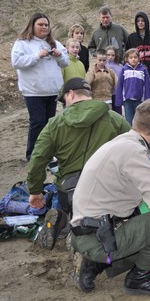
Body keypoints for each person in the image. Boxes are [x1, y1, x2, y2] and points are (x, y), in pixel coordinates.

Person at [69, 99, 150, 295]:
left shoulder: (120, 142)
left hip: (85, 230)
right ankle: (140, 276)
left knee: (137, 217)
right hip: (100, 238)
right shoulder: (135, 150)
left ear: (133, 122)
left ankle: (94, 264)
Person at [27, 78, 130, 250]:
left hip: (69, 190)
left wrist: (35, 191)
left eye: (64, 100)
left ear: (71, 94)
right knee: (108, 215)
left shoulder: (55, 124)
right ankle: (91, 230)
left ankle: (64, 221)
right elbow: (136, 147)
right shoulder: (114, 118)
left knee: (63, 198)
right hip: (105, 188)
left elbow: (38, 159)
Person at [11, 13, 69, 161]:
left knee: (50, 124)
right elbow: (16, 62)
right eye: (41, 24)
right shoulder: (22, 43)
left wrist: (58, 55)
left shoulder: (53, 42)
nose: (44, 27)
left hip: (52, 91)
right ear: (32, 25)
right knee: (37, 123)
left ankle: (48, 153)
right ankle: (32, 155)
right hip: (34, 91)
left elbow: (66, 62)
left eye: (46, 25)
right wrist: (37, 56)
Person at [125, 11, 150, 100]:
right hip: (136, 75)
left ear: (146, 22)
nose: (140, 22)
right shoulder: (131, 37)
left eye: (142, 20)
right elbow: (127, 57)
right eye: (138, 21)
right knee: (138, 103)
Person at [115, 48, 150, 124]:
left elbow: (147, 86)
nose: (133, 59)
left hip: (139, 100)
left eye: (135, 57)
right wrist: (119, 100)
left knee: (139, 121)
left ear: (139, 58)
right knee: (129, 121)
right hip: (127, 100)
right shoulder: (124, 70)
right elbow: (120, 85)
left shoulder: (143, 70)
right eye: (131, 58)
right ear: (127, 59)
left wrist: (148, 100)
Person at [105, 45, 124, 114]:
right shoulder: (103, 65)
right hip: (106, 93)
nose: (110, 57)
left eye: (112, 55)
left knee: (117, 113)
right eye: (108, 55)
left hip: (117, 93)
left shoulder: (120, 66)